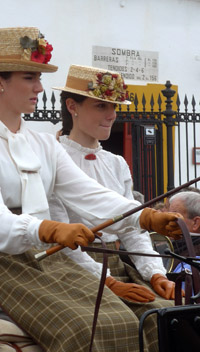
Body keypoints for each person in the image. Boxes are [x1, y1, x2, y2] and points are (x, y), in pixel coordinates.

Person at [0, 27, 182, 352]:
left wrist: (146, 216)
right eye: (30, 78)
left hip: (49, 256)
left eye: (39, 78)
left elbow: (89, 196)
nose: (40, 88)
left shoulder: (44, 144)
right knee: (80, 328)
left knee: (117, 319)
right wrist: (45, 228)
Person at [51, 64, 175, 302]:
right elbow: (60, 238)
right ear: (72, 106)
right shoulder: (53, 157)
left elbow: (132, 230)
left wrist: (156, 273)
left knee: (169, 314)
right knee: (123, 325)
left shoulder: (117, 163)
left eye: (114, 107)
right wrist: (106, 281)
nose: (112, 115)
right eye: (101, 106)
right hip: (73, 268)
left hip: (117, 263)